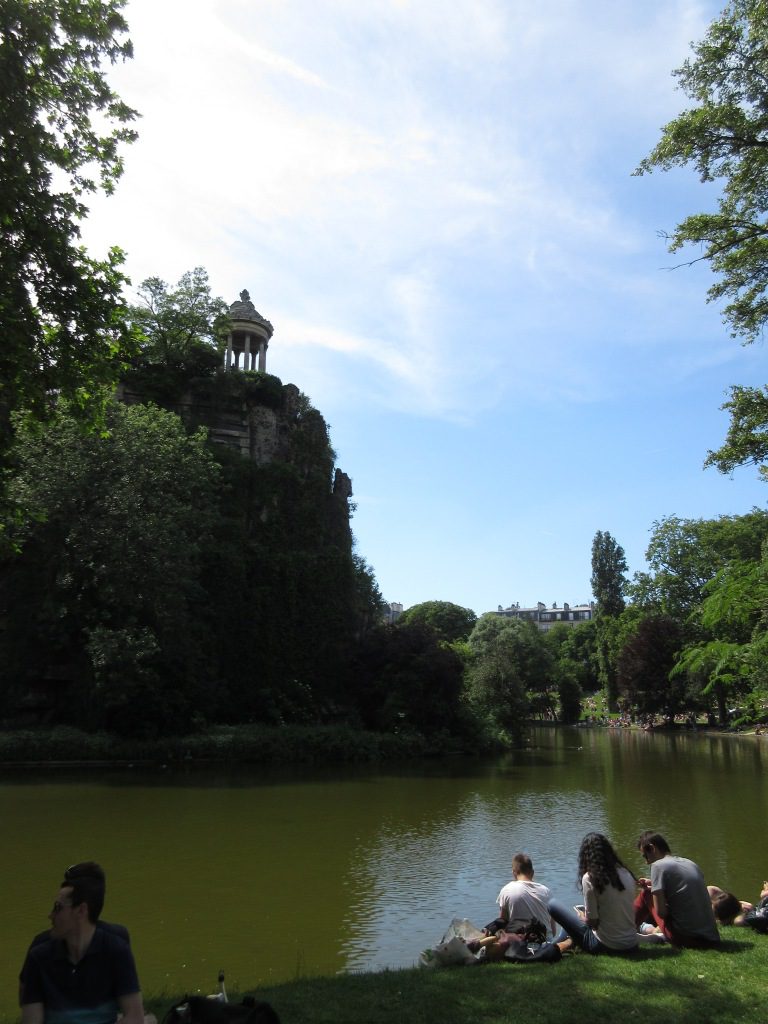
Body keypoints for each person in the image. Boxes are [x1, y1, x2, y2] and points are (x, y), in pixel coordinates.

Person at [19, 862, 144, 1024]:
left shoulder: (116, 949)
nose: (50, 915)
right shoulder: (39, 955)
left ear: (81, 911)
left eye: (58, 907)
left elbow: (135, 1017)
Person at [548, 832, 639, 956]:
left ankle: (552, 945)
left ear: (585, 856)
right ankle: (558, 943)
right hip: (632, 944)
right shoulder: (626, 873)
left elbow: (593, 923)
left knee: (552, 905)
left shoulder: (590, 878)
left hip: (604, 946)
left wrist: (583, 918)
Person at [634, 831, 720, 948]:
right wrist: (655, 885)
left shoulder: (658, 866)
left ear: (652, 848)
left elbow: (662, 913)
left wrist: (653, 892)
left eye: (645, 856)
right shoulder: (690, 863)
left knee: (646, 894)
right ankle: (629, 929)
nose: (646, 862)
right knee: (650, 892)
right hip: (712, 938)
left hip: (687, 939)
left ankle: (623, 931)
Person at [488, 852, 554, 939]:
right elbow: (553, 931)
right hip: (545, 942)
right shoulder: (547, 892)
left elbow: (502, 922)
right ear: (533, 872)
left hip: (519, 943)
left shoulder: (507, 890)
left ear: (514, 873)